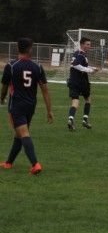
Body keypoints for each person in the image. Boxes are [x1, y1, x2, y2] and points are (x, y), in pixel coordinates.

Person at [0, 38, 54, 175]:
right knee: (19, 135)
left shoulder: (11, 66)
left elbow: (4, 88)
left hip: (16, 105)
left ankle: (35, 164)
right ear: (30, 49)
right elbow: (45, 90)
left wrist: (2, 99)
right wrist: (49, 110)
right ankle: (8, 162)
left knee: (23, 134)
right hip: (31, 106)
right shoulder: (37, 67)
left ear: (18, 49)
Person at [67, 37, 99, 131]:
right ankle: (85, 120)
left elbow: (81, 65)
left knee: (75, 101)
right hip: (81, 81)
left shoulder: (77, 53)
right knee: (88, 99)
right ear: (82, 44)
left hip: (72, 80)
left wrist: (92, 68)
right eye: (87, 44)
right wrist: (90, 70)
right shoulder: (81, 54)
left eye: (90, 44)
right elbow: (76, 65)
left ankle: (70, 119)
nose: (89, 46)